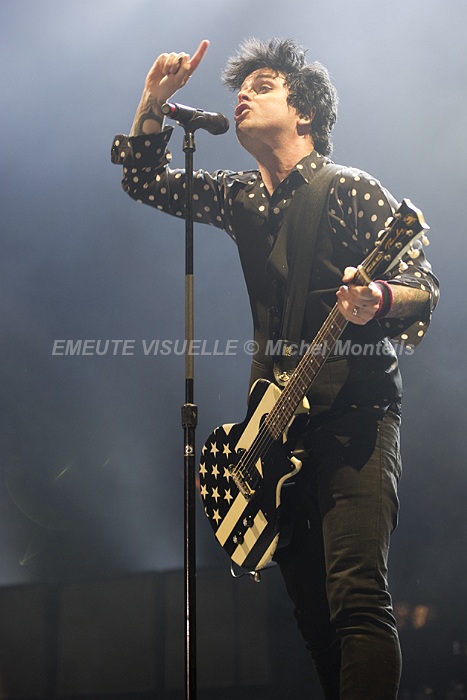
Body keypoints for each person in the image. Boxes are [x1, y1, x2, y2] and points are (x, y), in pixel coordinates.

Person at [111, 38, 439, 700]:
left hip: (355, 416)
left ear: (304, 113)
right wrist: (153, 101)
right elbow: (144, 181)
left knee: (356, 597)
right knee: (314, 622)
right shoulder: (239, 198)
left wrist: (375, 298)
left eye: (263, 85)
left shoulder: (348, 189)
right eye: (242, 87)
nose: (243, 95)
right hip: (273, 433)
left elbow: (422, 285)